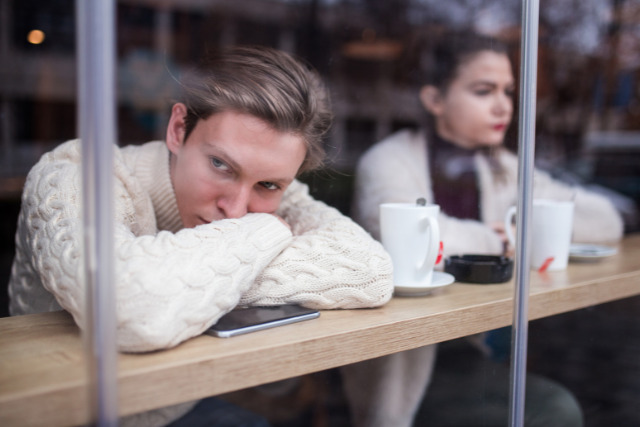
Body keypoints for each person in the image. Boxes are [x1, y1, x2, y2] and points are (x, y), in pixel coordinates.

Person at [7, 46, 394, 426]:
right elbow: (131, 306)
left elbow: (370, 270)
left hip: (176, 405)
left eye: (268, 185)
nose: (237, 208)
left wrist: (208, 268)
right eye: (221, 165)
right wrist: (262, 231)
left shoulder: (277, 187)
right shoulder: (75, 175)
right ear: (178, 130)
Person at [341, 30, 623, 427]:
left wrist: (521, 232)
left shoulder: (502, 166)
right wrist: (504, 240)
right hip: (402, 364)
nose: (504, 106)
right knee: (554, 410)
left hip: (470, 349)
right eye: (483, 90)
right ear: (434, 99)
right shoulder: (388, 160)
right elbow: (409, 239)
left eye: (508, 91)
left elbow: (605, 220)